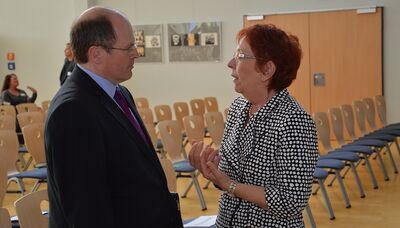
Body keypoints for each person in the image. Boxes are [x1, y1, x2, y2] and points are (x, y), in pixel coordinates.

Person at [45, 7, 182, 228]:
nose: (137, 53)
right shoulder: (73, 111)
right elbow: (87, 209)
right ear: (96, 53)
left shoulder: (119, 93)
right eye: (129, 47)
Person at [189, 24, 319, 227]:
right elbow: (229, 173)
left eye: (240, 55)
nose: (231, 63)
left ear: (267, 70)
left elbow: (291, 202)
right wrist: (212, 170)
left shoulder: (294, 121)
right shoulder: (239, 107)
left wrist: (229, 184)